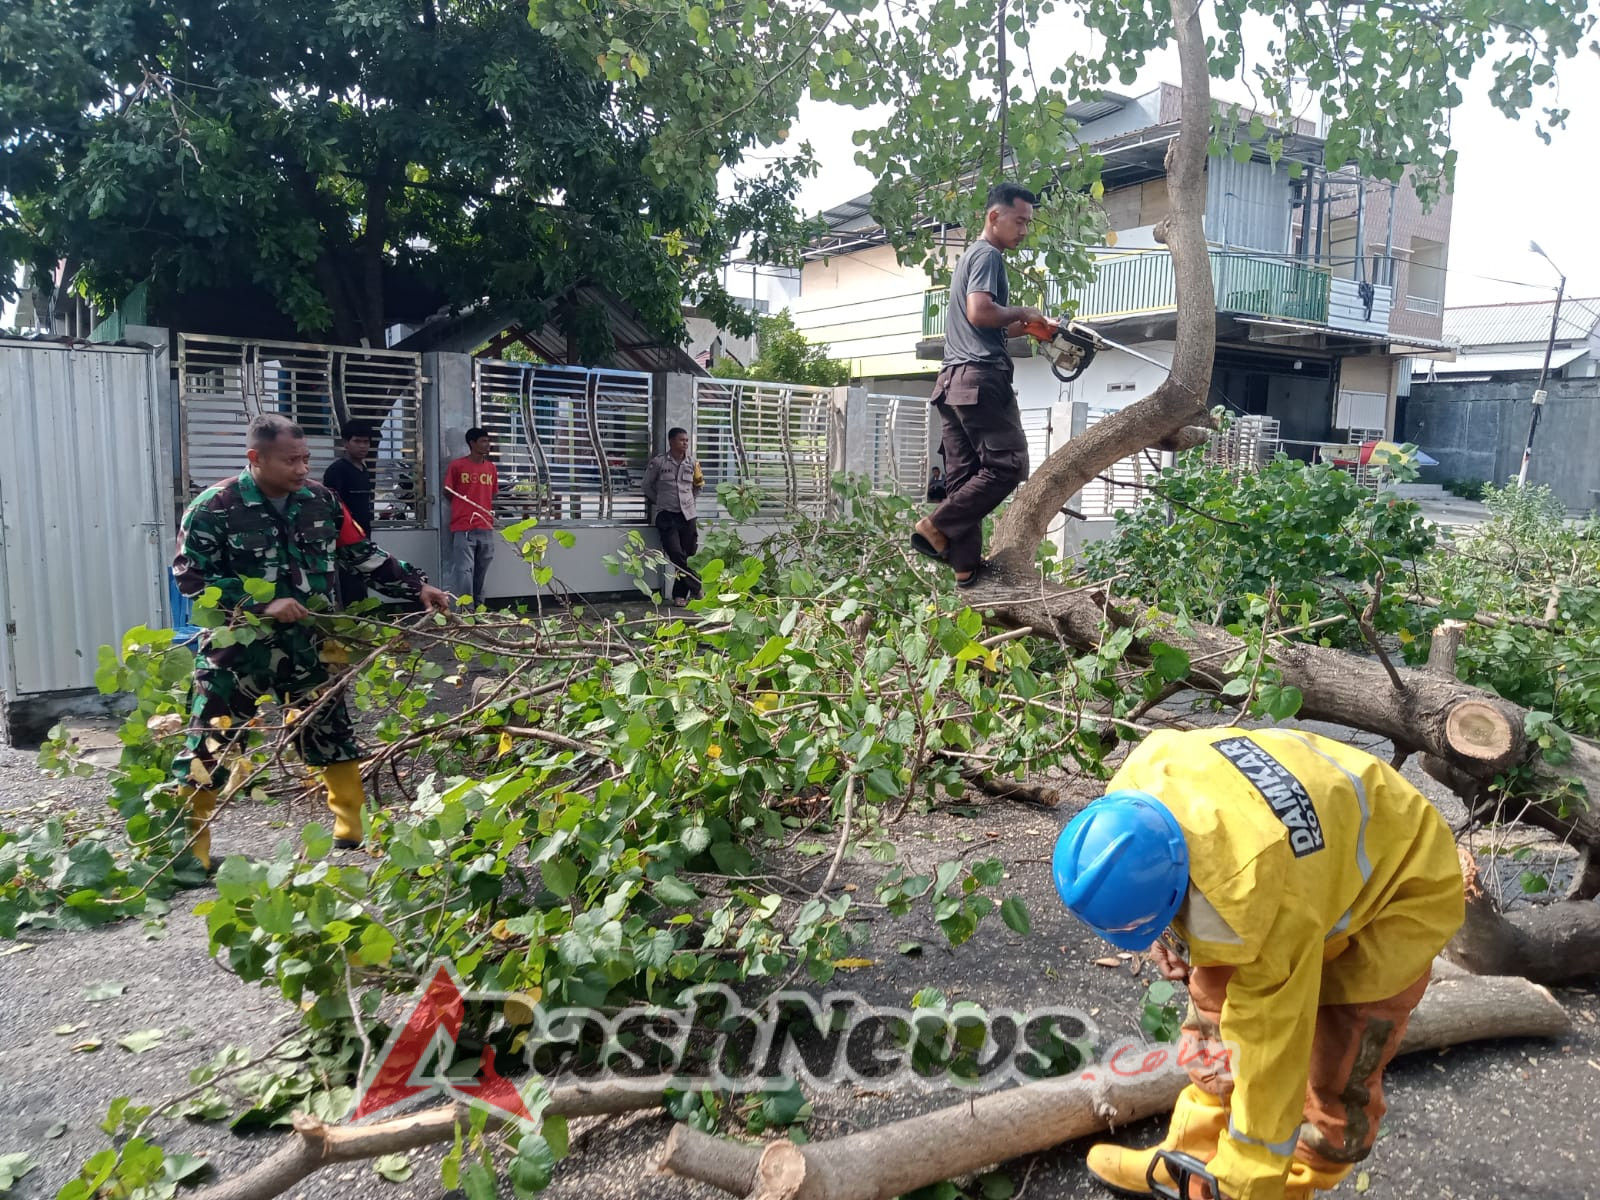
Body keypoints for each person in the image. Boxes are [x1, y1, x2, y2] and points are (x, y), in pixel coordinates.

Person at [1052, 728, 1464, 1200]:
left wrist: (1247, 1179)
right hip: (1309, 865)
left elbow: (1270, 1045)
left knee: (1335, 1068)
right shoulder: (1138, 792)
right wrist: (1168, 932)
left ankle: (1287, 1186)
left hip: (1402, 886)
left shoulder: (1252, 900)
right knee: (1213, 1006)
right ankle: (1192, 1159)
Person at [172, 414, 450, 868]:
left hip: (312, 641)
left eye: (305, 459)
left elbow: (362, 555)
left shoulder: (321, 501)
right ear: (255, 458)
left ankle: (351, 829)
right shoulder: (214, 506)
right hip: (235, 647)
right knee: (212, 741)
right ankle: (189, 853)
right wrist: (260, 605)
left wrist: (416, 587)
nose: (302, 470)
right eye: (290, 461)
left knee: (330, 728)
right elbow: (190, 577)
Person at [910, 182, 1049, 587]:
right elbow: (980, 312)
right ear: (994, 216)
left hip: (951, 383)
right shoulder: (988, 254)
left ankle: (966, 571)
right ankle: (934, 525)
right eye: (1020, 221)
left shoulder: (970, 256)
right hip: (979, 377)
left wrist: (1019, 328)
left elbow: (982, 322)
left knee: (964, 478)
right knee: (1009, 465)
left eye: (1028, 223)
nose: (1024, 230)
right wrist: (1020, 310)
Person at [641, 426, 704, 604]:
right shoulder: (659, 463)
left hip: (688, 515)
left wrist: (690, 501)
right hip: (667, 515)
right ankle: (697, 586)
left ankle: (679, 595)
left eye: (686, 440)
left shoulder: (692, 463)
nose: (685, 443)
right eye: (681, 440)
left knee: (687, 554)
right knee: (676, 554)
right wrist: (660, 501)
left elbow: (698, 486)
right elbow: (646, 486)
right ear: (671, 441)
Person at [322, 418, 377, 606]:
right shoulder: (336, 471)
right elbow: (330, 507)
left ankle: (363, 622)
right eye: (357, 441)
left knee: (363, 580)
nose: (363, 446)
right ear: (346, 443)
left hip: (363, 535)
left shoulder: (363, 470)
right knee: (347, 584)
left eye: (366, 442)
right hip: (343, 539)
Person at [445, 427, 499, 605]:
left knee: (481, 571)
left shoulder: (491, 468)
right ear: (472, 443)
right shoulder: (457, 466)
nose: (487, 444)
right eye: (483, 441)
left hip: (485, 526)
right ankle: (466, 610)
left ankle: (479, 607)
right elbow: (448, 492)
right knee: (465, 571)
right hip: (463, 526)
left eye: (487, 441)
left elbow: (492, 494)